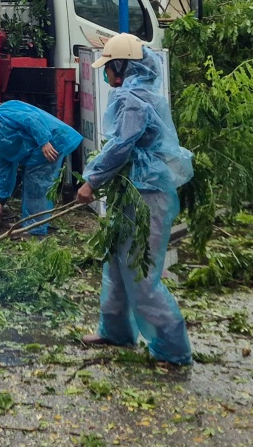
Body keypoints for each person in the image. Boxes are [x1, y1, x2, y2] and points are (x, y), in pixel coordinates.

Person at [74, 32, 195, 367]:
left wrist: (92, 180)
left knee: (140, 272)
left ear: (122, 67)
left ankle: (173, 350)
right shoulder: (137, 93)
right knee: (116, 261)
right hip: (133, 188)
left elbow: (121, 145)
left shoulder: (134, 99)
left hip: (147, 193)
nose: (105, 74)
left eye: (109, 67)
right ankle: (116, 331)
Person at [0, 98, 82, 236]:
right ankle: (34, 225)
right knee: (34, 184)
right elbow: (6, 168)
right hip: (39, 153)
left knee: (36, 185)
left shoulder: (1, 112)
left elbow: (30, 119)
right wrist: (0, 200)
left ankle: (35, 231)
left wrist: (44, 141)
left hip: (50, 145)